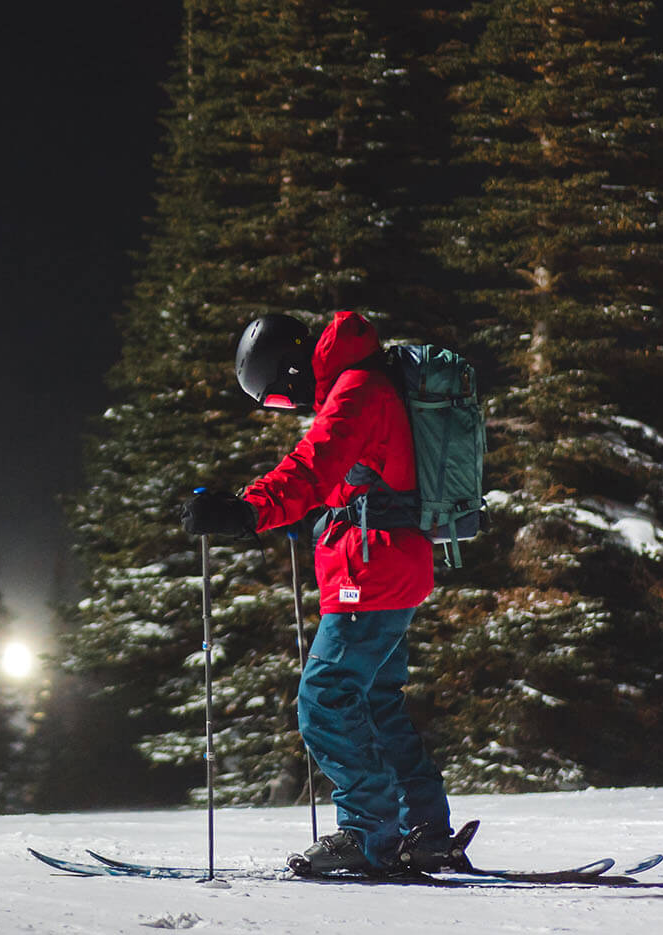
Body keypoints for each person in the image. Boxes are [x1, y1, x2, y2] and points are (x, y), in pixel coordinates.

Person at [182, 308, 457, 877]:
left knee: (326, 696)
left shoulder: (356, 388)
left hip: (371, 570)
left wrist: (246, 509)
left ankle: (369, 834)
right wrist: (296, 518)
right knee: (376, 701)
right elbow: (355, 480)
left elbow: (314, 464)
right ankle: (424, 829)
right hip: (389, 561)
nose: (294, 405)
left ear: (289, 370)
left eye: (280, 397)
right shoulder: (369, 381)